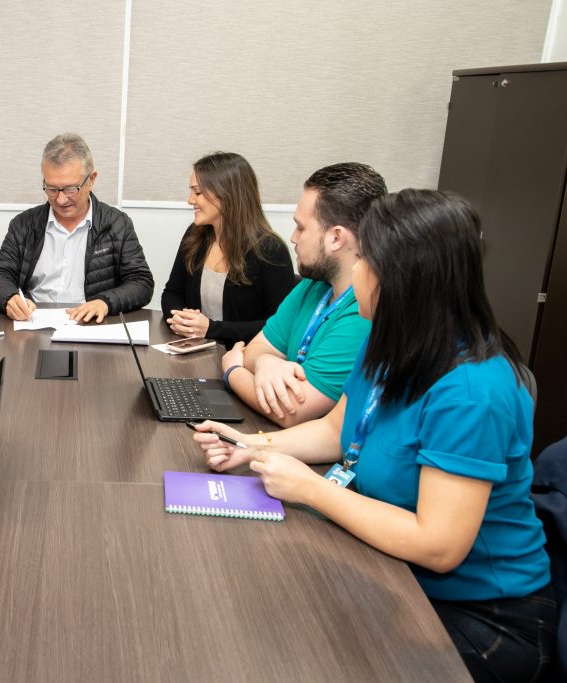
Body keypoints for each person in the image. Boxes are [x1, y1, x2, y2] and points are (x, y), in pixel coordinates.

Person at [192, 189, 555, 682]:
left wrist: (311, 488)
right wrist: (252, 446)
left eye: (364, 262)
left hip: (479, 614)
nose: (354, 275)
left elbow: (438, 544)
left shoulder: (473, 391)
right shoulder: (388, 338)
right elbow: (337, 430)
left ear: (402, 279)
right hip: (396, 572)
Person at [219, 162, 386, 427]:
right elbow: (255, 349)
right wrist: (265, 362)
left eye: (301, 227)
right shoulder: (314, 285)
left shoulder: (365, 310)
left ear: (336, 238)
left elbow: (290, 410)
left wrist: (233, 371)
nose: (293, 238)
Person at [0, 133, 154, 323]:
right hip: (34, 325)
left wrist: (105, 302)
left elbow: (141, 282)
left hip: (91, 326)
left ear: (91, 179)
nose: (61, 199)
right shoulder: (25, 224)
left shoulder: (116, 224)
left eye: (70, 189)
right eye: (52, 189)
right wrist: (10, 298)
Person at [161, 152, 295, 346]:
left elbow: (280, 326)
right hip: (196, 351)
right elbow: (172, 292)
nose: (190, 200)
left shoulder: (270, 250)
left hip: (246, 361)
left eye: (197, 192)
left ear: (226, 194)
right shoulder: (195, 236)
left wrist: (212, 329)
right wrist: (181, 320)